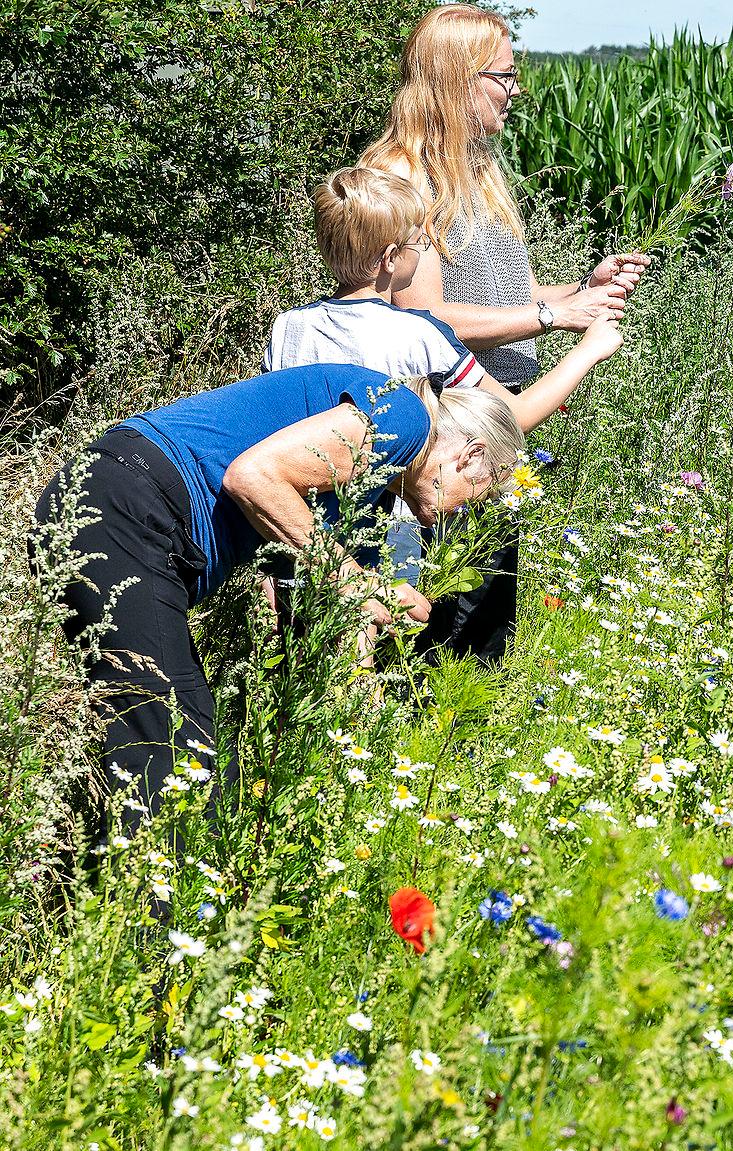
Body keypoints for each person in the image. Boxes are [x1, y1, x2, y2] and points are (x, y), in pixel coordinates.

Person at [30, 359, 598, 842]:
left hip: (115, 513)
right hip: (123, 505)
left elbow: (330, 609)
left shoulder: (370, 493)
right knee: (177, 741)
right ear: (469, 456)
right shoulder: (404, 416)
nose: (465, 515)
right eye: (484, 492)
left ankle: (127, 912)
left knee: (163, 734)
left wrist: (367, 715)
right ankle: (147, 947)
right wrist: (362, 585)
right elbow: (254, 478)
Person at [360, 2, 648, 662]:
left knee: (491, 620)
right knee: (441, 626)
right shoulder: (407, 178)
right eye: (505, 76)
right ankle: (419, 755)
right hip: (442, 440)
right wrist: (555, 317)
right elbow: (428, 322)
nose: (516, 92)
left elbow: (503, 298)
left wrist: (581, 291)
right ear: (459, 78)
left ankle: (466, 754)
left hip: (495, 432)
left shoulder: (479, 169)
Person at [263, 166, 624, 581]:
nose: (425, 249)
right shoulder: (417, 335)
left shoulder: (289, 327)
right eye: (420, 241)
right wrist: (588, 351)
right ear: (390, 258)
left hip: (290, 525)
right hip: (373, 529)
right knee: (370, 634)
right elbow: (514, 415)